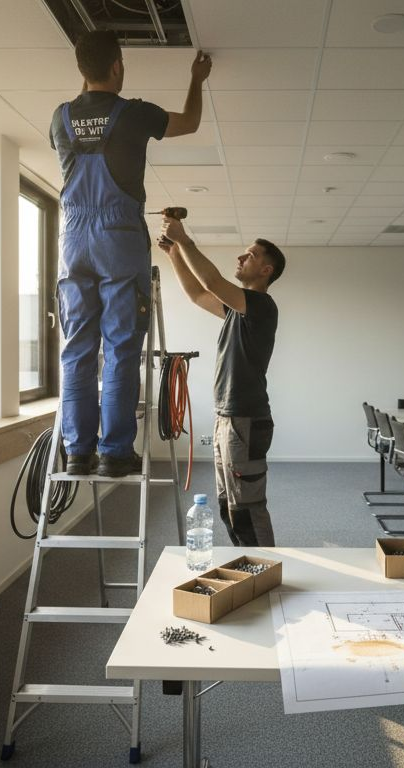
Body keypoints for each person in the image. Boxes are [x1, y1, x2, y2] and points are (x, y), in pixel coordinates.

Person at [49, 32, 211, 477]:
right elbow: (191, 122)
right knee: (120, 348)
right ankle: (114, 451)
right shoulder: (135, 114)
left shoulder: (60, 119)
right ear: (118, 66)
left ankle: (78, 450)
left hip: (73, 240)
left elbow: (84, 130)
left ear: (82, 71)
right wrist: (197, 79)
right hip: (118, 238)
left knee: (77, 349)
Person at [159, 215, 285, 547]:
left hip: (246, 419)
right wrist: (174, 254)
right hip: (227, 418)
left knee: (247, 505)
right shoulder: (236, 311)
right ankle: (247, 566)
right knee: (229, 505)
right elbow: (198, 295)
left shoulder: (261, 306)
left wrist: (185, 241)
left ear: (265, 271)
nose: (241, 258)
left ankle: (264, 568)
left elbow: (212, 282)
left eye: (251, 255)